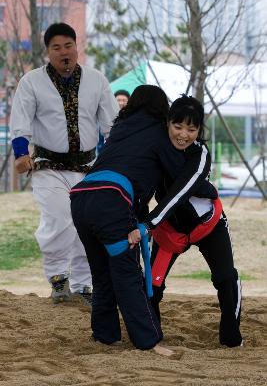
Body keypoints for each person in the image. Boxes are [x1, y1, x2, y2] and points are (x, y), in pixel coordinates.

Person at [70, 85, 213, 351]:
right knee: (127, 273)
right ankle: (149, 341)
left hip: (80, 198)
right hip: (111, 201)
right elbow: (180, 175)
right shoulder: (159, 131)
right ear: (163, 109)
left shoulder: (120, 130)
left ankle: (105, 334)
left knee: (102, 274)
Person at [9, 22, 118, 305]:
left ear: (76, 46)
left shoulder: (97, 80)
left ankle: (84, 285)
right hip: (47, 165)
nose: (64, 52)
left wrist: (118, 156)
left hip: (89, 167)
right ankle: (58, 279)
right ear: (48, 52)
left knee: (88, 225)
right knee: (58, 219)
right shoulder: (31, 82)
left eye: (68, 46)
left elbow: (112, 124)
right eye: (56, 48)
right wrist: (21, 153)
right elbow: (20, 123)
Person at [149, 95, 243, 348]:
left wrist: (149, 223)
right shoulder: (154, 148)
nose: (183, 134)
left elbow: (182, 190)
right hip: (169, 231)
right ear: (167, 123)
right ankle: (151, 334)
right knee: (151, 287)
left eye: (192, 129)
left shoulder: (201, 153)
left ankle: (231, 338)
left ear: (199, 131)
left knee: (226, 278)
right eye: (178, 127)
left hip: (208, 225)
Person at [97, 89, 130, 154]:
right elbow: (100, 140)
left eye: (124, 100)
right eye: (118, 100)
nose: (121, 103)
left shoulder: (132, 117)